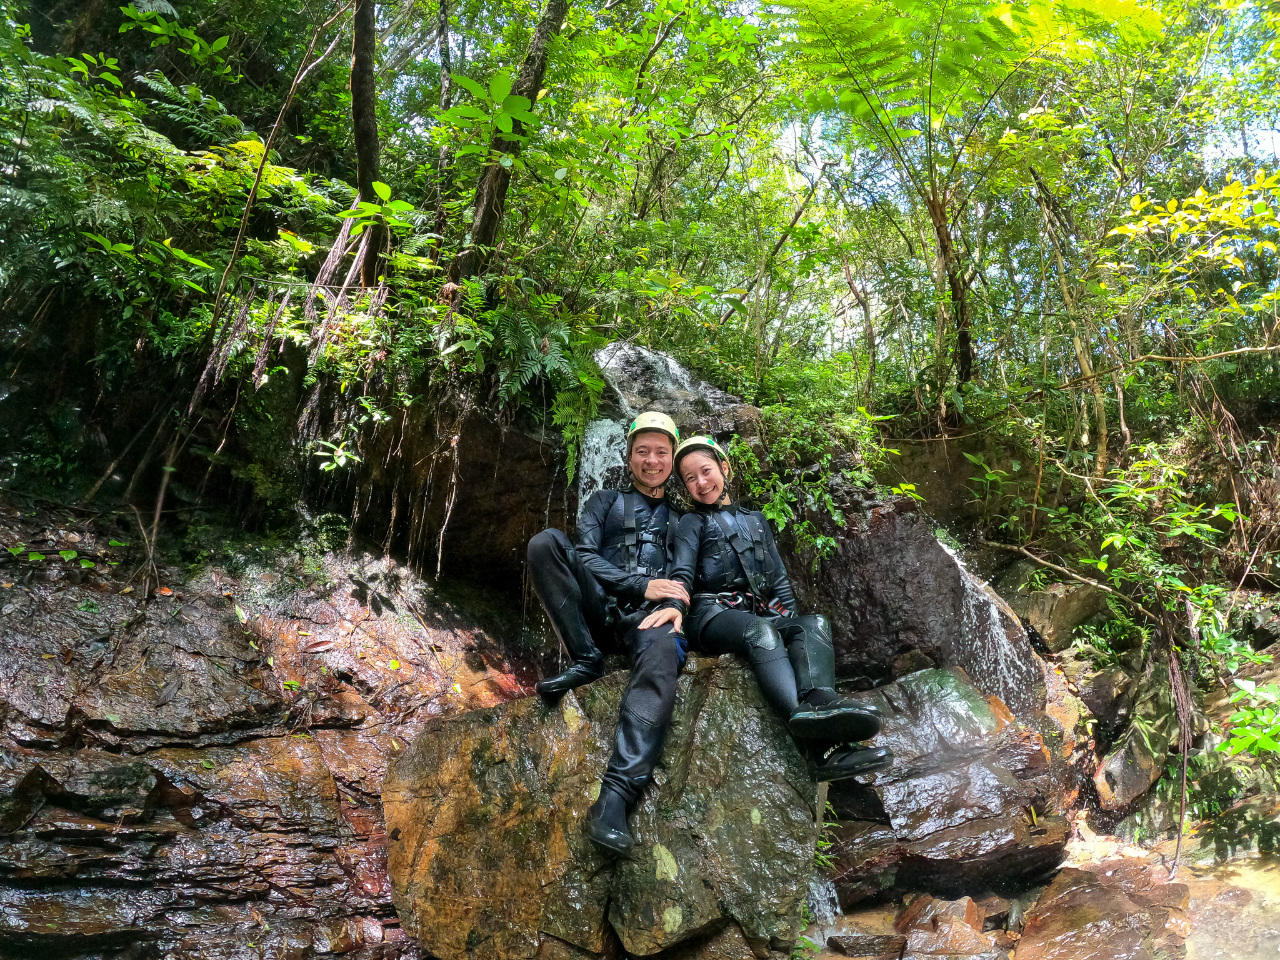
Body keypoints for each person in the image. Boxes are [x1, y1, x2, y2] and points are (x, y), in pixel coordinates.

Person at [640, 435, 893, 788]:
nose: (701, 483)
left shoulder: (756, 520)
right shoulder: (690, 524)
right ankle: (814, 733)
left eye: (706, 471)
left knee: (812, 624)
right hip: (711, 615)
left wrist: (791, 622)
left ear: (724, 469)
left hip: (759, 610)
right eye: (690, 479)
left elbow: (779, 579)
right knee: (760, 630)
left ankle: (823, 708)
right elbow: (681, 572)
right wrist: (673, 605)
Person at [525, 411, 689, 858]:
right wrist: (638, 583)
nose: (651, 461)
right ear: (629, 455)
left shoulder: (684, 520)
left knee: (662, 652)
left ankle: (614, 800)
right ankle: (585, 658)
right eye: (643, 451)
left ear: (673, 459)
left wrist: (673, 603)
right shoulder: (603, 502)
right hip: (602, 612)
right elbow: (583, 554)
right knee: (545, 544)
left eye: (661, 453)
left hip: (651, 621)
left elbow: (691, 574)